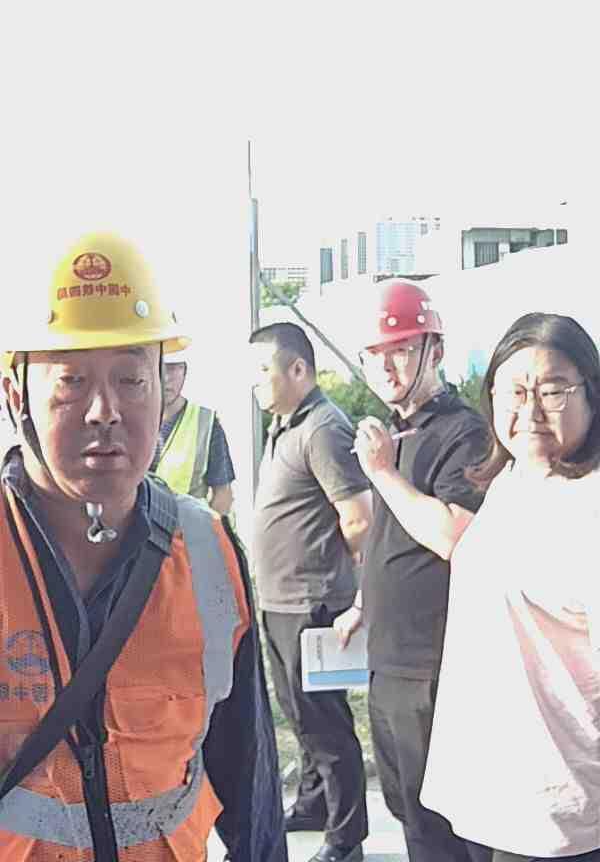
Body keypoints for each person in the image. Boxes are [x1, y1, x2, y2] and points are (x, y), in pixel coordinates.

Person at [0, 231, 287, 862]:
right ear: (16, 395)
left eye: (132, 379)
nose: (104, 410)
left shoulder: (207, 552)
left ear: (164, 389)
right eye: (72, 380)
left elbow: (250, 777)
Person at [365, 312, 600, 862]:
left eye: (553, 391)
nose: (530, 410)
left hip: (558, 805)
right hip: (491, 790)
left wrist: (383, 473)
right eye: (514, 390)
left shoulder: (589, 502)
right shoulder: (512, 479)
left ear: (591, 394)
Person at [335, 280, 492, 862]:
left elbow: (454, 535)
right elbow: (391, 532)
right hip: (389, 660)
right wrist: (361, 603)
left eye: (401, 350)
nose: (386, 366)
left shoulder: (464, 432)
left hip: (435, 664)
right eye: (374, 354)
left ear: (436, 350)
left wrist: (382, 473)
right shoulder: (396, 432)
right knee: (409, 813)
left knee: (447, 828)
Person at [250, 322, 373, 862]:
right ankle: (314, 803)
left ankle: (347, 837)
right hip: (281, 600)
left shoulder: (323, 427)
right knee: (299, 715)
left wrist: (340, 578)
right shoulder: (285, 425)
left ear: (298, 369)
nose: (256, 381)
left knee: (325, 724)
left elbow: (359, 517)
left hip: (312, 602)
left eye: (263, 369)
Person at [150, 349, 235, 515]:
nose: (166, 377)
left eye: (173, 368)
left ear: (184, 371)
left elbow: (223, 494)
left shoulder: (206, 422)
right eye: (159, 367)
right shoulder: (128, 419)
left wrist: (207, 529)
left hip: (188, 528)